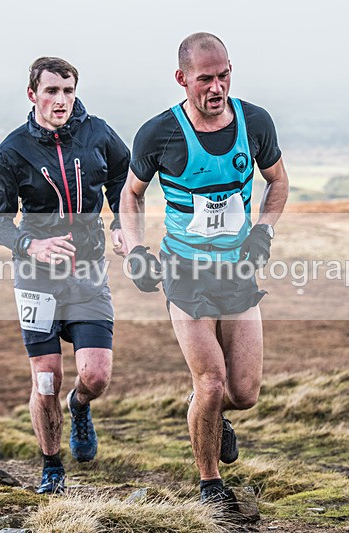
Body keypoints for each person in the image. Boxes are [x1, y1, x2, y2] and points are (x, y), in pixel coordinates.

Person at [119, 32, 289, 506]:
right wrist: (136, 250)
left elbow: (277, 182)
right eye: (205, 79)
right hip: (184, 271)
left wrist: (263, 232)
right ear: (182, 80)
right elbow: (131, 194)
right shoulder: (159, 134)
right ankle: (210, 485)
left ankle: (204, 413)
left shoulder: (255, 122)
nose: (217, 88)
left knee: (243, 391)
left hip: (237, 272)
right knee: (210, 381)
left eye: (224, 76)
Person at [0, 57, 130, 494]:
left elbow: (126, 176)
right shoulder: (13, 150)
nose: (61, 100)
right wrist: (32, 245)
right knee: (45, 377)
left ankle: (80, 406)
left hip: (87, 272)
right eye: (51, 91)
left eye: (67, 91)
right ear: (33, 94)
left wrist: (122, 220)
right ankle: (52, 467)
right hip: (35, 277)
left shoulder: (98, 132)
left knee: (96, 376)